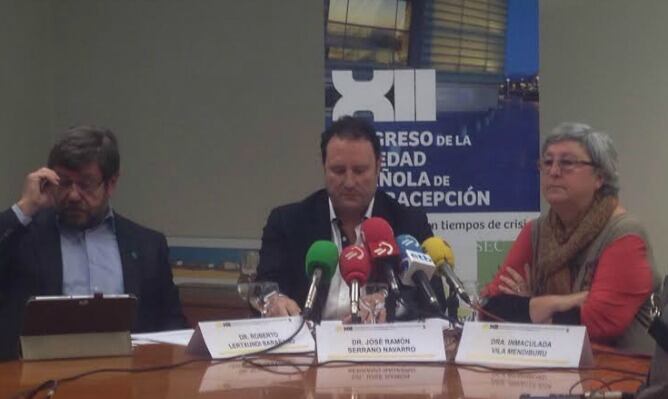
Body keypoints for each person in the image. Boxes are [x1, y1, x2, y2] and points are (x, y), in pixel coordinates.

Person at [0, 126, 186, 360]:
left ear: (111, 183)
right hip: (38, 382)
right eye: (64, 183)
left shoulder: (148, 246)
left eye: (85, 184)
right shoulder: (24, 236)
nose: (73, 195)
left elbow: (173, 323)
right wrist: (25, 207)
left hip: (127, 382)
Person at [482, 123, 661, 354]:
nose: (554, 171)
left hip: (617, 379)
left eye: (567, 163)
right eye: (547, 162)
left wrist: (526, 307)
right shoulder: (535, 232)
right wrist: (555, 303)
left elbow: (597, 323)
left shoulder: (625, 234)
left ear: (599, 177)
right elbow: (488, 310)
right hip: (547, 372)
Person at [255, 116, 442, 322]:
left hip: (382, 347)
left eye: (360, 171)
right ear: (324, 166)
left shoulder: (409, 222)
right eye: (338, 171)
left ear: (379, 166)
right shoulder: (288, 222)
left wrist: (389, 303)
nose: (350, 182)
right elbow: (264, 286)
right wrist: (274, 300)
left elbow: (432, 301)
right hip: (309, 347)